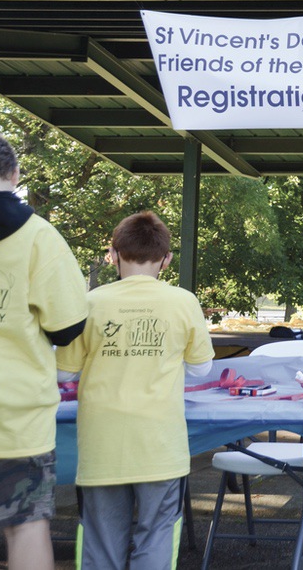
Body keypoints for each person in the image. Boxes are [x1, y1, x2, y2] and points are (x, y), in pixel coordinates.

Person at [55, 211, 214, 569]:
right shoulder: (183, 302)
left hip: (102, 444)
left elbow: (64, 374)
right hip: (160, 443)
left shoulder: (90, 303)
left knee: (100, 540)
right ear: (166, 258)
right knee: (157, 534)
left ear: (113, 254)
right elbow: (202, 368)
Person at [0, 134, 87, 570]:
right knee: (25, 525)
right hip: (16, 415)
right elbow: (68, 328)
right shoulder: (38, 237)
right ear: (14, 175)